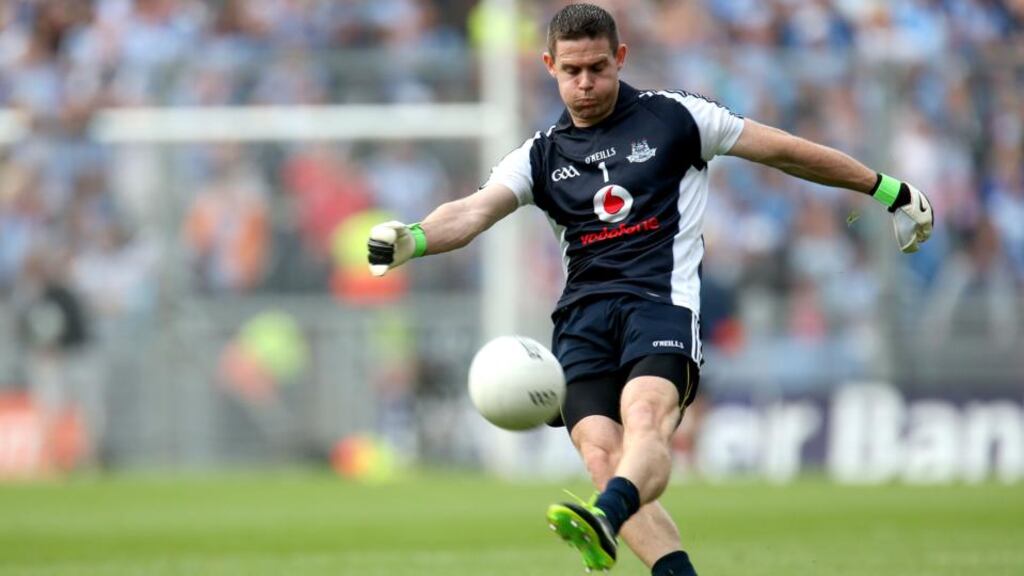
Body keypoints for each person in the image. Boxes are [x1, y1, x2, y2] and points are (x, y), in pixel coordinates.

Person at [366, 4, 933, 575]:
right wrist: (413, 238)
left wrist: (886, 189)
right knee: (600, 455)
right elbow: (472, 212)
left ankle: (606, 517)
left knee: (645, 419)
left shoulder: (678, 119)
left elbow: (784, 150)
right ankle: (637, 537)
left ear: (620, 58)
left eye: (597, 68)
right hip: (582, 320)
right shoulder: (540, 155)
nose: (585, 83)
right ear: (549, 66)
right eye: (571, 71)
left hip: (660, 305)